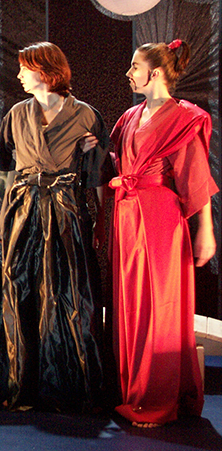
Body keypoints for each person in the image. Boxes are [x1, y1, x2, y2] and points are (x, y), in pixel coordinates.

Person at [0, 42, 108, 413]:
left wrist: (101, 221)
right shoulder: (16, 114)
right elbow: (8, 172)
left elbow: (97, 176)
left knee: (67, 295)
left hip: (65, 212)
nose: (19, 75)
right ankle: (21, 385)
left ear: (45, 72)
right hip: (25, 210)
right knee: (20, 292)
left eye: (25, 69)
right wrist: (3, 216)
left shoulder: (86, 116)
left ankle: (68, 388)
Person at [110, 39, 217, 428]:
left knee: (159, 306)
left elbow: (196, 177)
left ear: (154, 73)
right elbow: (120, 160)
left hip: (160, 219)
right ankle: (132, 390)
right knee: (131, 305)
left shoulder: (183, 118)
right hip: (126, 215)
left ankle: (157, 397)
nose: (128, 73)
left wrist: (206, 231)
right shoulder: (130, 116)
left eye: (134, 67)